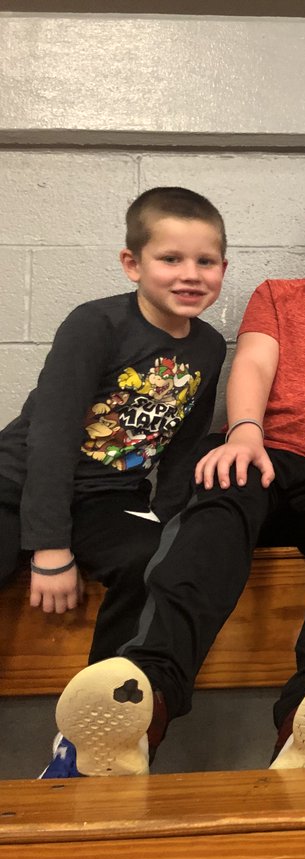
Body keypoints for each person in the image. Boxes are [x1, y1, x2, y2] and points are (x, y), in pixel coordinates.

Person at [52, 166, 305, 776]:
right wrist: (244, 433)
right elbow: (254, 364)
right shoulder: (278, 295)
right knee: (221, 484)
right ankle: (145, 701)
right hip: (264, 453)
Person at [0, 187, 228, 777]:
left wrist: (169, 517)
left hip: (108, 499)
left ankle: (93, 734)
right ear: (133, 264)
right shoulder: (95, 323)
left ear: (223, 268)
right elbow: (51, 434)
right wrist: (47, 547)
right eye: (170, 259)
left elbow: (182, 446)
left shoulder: (206, 346)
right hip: (17, 483)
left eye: (206, 262)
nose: (190, 275)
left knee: (155, 564)